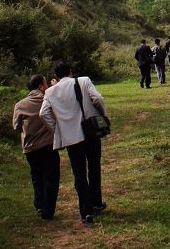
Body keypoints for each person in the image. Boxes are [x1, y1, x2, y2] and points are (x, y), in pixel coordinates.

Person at [40, 60, 108, 225]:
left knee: (79, 173)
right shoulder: (83, 81)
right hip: (90, 132)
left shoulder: (50, 92)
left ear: (55, 76)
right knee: (94, 167)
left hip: (71, 136)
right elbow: (97, 98)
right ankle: (96, 202)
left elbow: (43, 113)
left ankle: (85, 211)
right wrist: (101, 115)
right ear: (71, 71)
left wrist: (57, 128)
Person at [13, 74, 59, 220]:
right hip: (48, 145)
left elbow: (16, 127)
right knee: (50, 177)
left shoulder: (20, 105)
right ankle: (48, 210)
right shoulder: (48, 101)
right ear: (40, 86)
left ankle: (39, 204)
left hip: (30, 148)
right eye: (45, 84)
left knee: (36, 176)